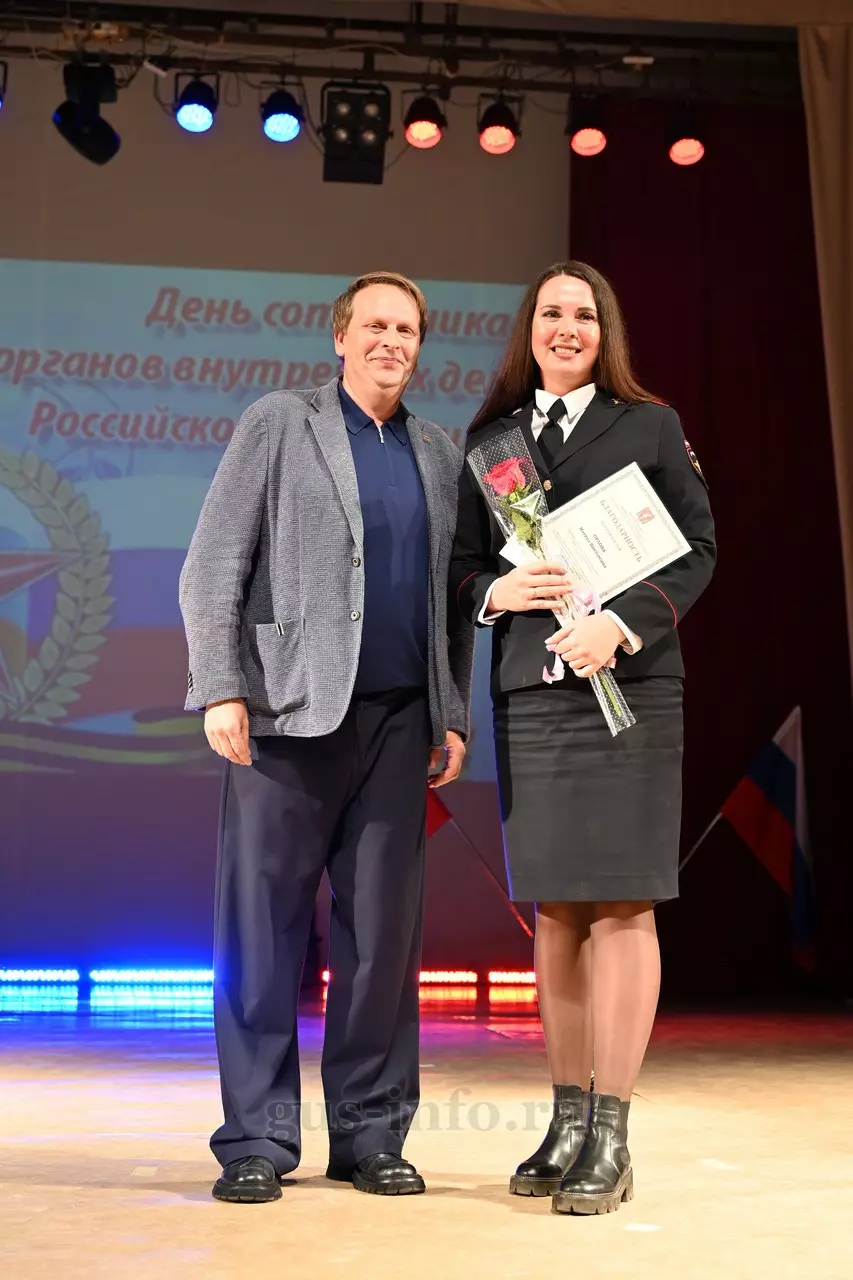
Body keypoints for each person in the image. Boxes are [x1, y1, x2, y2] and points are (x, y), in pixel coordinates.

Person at [180, 271, 473, 1204]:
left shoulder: (437, 451)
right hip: (284, 715)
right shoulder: (280, 422)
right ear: (339, 337)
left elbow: (449, 597)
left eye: (407, 329)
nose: (392, 341)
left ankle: (371, 1136)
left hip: (398, 721)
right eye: (375, 325)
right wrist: (220, 686)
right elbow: (212, 563)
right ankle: (256, 1139)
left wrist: (452, 710)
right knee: (261, 935)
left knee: (382, 941)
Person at [449, 261, 715, 1216]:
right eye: (552, 313)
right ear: (528, 328)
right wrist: (496, 590)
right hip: (535, 694)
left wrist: (621, 625)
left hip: (631, 689)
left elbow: (698, 550)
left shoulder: (649, 425)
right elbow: (461, 568)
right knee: (557, 910)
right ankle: (565, 1120)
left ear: (606, 334)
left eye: (584, 315)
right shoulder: (492, 440)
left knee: (622, 905)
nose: (567, 328)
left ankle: (612, 1131)